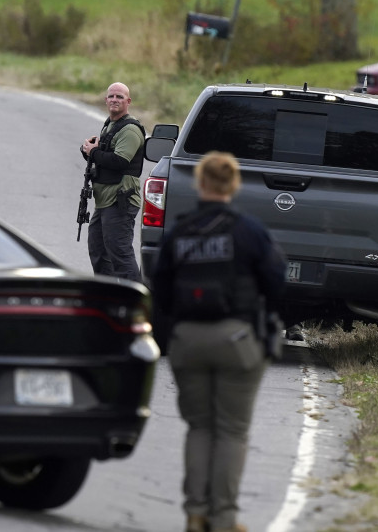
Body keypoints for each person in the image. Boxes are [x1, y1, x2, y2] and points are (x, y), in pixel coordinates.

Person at [150, 151, 286, 532]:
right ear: (234, 184)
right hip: (237, 338)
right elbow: (276, 281)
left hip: (188, 339)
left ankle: (195, 513)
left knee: (199, 428)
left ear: (200, 183)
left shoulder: (179, 231)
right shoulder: (250, 231)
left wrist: (169, 337)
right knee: (231, 430)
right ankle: (224, 518)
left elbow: (159, 290)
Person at [80, 82, 146, 283]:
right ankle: (107, 298)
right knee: (99, 251)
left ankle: (135, 302)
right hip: (105, 201)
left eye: (119, 97)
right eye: (111, 96)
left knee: (120, 254)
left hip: (120, 201)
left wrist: (94, 152)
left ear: (128, 101)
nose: (114, 100)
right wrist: (88, 151)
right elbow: (104, 159)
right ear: (106, 100)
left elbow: (119, 161)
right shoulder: (110, 125)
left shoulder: (130, 130)